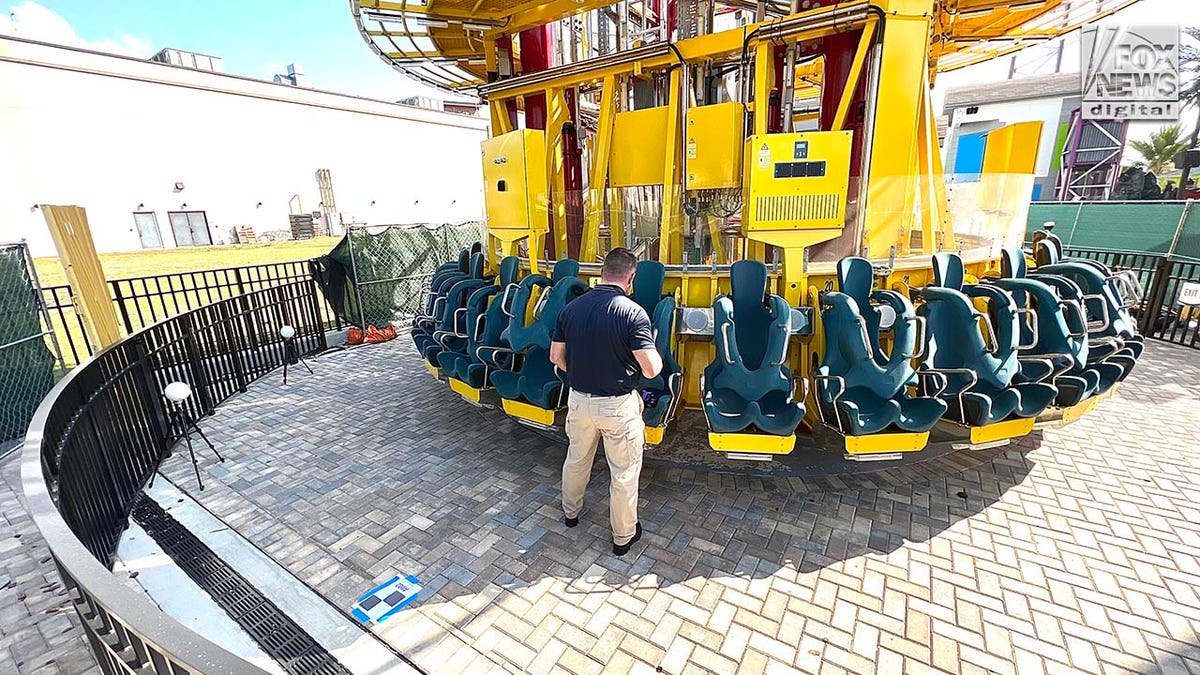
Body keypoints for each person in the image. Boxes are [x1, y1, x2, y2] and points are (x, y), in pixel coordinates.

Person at [550, 248, 663, 556]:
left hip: (579, 401)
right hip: (617, 406)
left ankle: (571, 513)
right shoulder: (632, 312)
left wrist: (585, 371)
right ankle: (623, 537)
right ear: (631, 277)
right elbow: (651, 368)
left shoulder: (570, 309)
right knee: (624, 473)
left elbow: (556, 357)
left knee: (576, 459)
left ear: (602, 273)